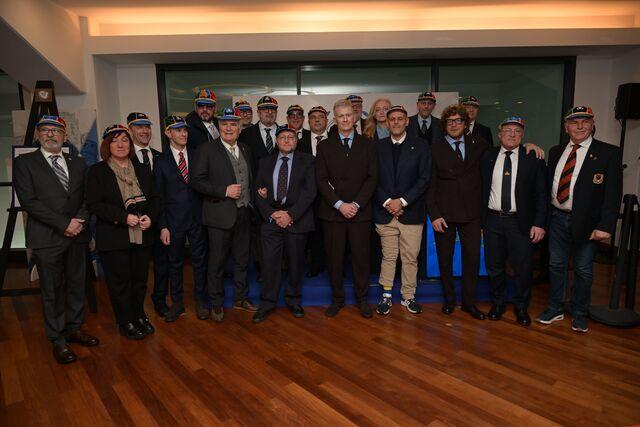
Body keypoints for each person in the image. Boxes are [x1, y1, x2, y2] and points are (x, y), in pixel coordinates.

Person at [14, 115, 98, 364]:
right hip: (47, 237)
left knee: (76, 285)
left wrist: (79, 220)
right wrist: (64, 224)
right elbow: (29, 201)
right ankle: (58, 339)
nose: (51, 134)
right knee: (52, 290)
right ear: (38, 135)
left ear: (65, 135)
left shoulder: (78, 162)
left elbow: (87, 197)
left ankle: (74, 328)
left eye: (56, 130)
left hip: (77, 235)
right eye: (45, 130)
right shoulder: (25, 163)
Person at [536, 106, 622, 333]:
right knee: (556, 266)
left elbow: (613, 194)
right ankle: (555, 307)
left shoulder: (608, 153)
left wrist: (605, 226)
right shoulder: (556, 151)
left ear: (592, 125)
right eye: (574, 122)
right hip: (557, 218)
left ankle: (580, 312)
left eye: (585, 121)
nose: (580, 126)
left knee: (583, 270)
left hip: (588, 224)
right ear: (566, 127)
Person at [86, 125, 158, 339]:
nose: (120, 144)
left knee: (139, 281)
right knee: (120, 283)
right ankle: (125, 321)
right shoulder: (98, 171)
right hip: (114, 236)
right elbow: (95, 204)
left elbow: (155, 198)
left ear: (130, 144)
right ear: (107, 146)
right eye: (115, 141)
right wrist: (123, 217)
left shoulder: (142, 169)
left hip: (142, 234)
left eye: (125, 140)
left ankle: (139, 315)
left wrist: (150, 217)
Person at [191, 108, 257, 322]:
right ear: (219, 127)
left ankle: (240, 297)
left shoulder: (246, 149)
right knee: (217, 262)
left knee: (242, 260)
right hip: (219, 215)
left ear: (240, 128)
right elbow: (196, 181)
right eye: (224, 124)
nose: (229, 128)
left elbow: (250, 178)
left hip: (244, 212)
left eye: (233, 124)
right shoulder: (206, 149)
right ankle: (216, 303)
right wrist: (224, 191)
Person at [480, 117, 547, 326]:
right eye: (507, 130)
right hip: (492, 220)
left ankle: (521, 307)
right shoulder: (487, 156)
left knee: (523, 267)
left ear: (522, 136)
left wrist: (539, 223)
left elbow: (541, 194)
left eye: (517, 131)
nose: (512, 134)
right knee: (494, 266)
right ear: (499, 135)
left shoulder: (532, 157)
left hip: (520, 222)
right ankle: (498, 303)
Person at [316, 99, 378, 318]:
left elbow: (372, 178)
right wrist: (340, 205)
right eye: (340, 116)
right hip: (334, 213)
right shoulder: (324, 146)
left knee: (361, 259)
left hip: (360, 213)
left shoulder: (368, 144)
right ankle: (337, 299)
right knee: (335, 260)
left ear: (355, 117)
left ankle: (362, 300)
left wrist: (356, 204)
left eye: (348, 115)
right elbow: (321, 180)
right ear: (335, 119)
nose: (345, 119)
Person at [427, 104, 491, 320]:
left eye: (458, 120)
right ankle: (449, 300)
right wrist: (434, 215)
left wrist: (528, 145)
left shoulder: (479, 144)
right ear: (444, 125)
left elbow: (500, 156)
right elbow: (430, 185)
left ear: (465, 123)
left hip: (472, 213)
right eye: (450, 121)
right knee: (445, 259)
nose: (454, 124)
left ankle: (469, 303)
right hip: (444, 214)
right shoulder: (435, 148)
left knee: (471, 259)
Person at [252, 125, 317, 323]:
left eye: (290, 137)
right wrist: (272, 213)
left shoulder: (308, 161)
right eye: (283, 137)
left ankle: (293, 300)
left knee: (295, 263)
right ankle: (267, 303)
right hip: (272, 220)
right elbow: (258, 191)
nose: (287, 140)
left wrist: (291, 215)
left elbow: (310, 192)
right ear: (277, 141)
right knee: (269, 264)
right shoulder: (265, 162)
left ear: (296, 141)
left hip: (297, 220)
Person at [373, 106, 431, 315]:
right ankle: (386, 295)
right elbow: (372, 178)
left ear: (407, 121)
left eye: (400, 119)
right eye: (392, 119)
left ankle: (408, 296)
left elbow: (424, 178)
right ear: (387, 123)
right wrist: (389, 202)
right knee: (388, 256)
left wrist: (403, 202)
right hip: (385, 212)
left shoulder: (421, 145)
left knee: (410, 258)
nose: (396, 122)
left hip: (411, 212)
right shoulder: (378, 147)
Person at [154, 115, 209, 322]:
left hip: (197, 219)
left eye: (185, 130)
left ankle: (200, 302)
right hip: (173, 221)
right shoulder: (161, 161)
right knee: (175, 263)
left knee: (200, 262)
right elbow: (158, 196)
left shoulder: (197, 155)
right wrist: (163, 226)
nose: (183, 134)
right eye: (178, 130)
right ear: (168, 133)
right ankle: (177, 303)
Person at [127, 112, 170, 318]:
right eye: (139, 127)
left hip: (160, 220)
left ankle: (159, 300)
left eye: (147, 126)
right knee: (138, 269)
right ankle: (136, 309)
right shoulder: (125, 158)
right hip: (137, 222)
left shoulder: (160, 156)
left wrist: (162, 221)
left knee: (162, 265)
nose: (144, 131)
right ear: (130, 130)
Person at [239, 95, 280, 279]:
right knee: (259, 233)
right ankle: (262, 269)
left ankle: (281, 267)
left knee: (282, 231)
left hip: (282, 193)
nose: (269, 112)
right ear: (258, 112)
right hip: (256, 195)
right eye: (265, 109)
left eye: (272, 109)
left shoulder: (286, 133)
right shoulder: (246, 135)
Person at [407, 91, 443, 280]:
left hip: (435, 179)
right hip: (411, 183)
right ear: (418, 104)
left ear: (433, 106)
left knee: (432, 227)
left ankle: (429, 269)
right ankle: (416, 269)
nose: (426, 106)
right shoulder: (408, 122)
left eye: (430, 103)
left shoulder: (441, 125)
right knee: (413, 231)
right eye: (423, 102)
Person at [298, 105, 329, 277]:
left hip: (331, 196)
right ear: (308, 122)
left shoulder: (335, 140)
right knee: (312, 233)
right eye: (313, 117)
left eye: (321, 117)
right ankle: (314, 265)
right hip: (307, 196)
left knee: (332, 234)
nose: (317, 120)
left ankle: (333, 266)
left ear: (326, 120)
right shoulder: (299, 143)